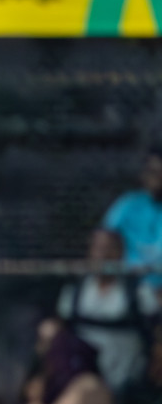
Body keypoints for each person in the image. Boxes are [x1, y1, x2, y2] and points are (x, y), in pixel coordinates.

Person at [57, 228, 156, 389]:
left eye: (111, 249)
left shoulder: (139, 293)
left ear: (122, 254)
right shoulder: (74, 292)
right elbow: (62, 333)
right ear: (90, 253)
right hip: (82, 380)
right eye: (99, 249)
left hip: (128, 383)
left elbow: (156, 334)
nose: (105, 255)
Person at [103, 144, 162, 285]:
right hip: (130, 288)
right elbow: (104, 238)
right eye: (151, 172)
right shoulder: (128, 205)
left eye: (159, 172)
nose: (156, 178)